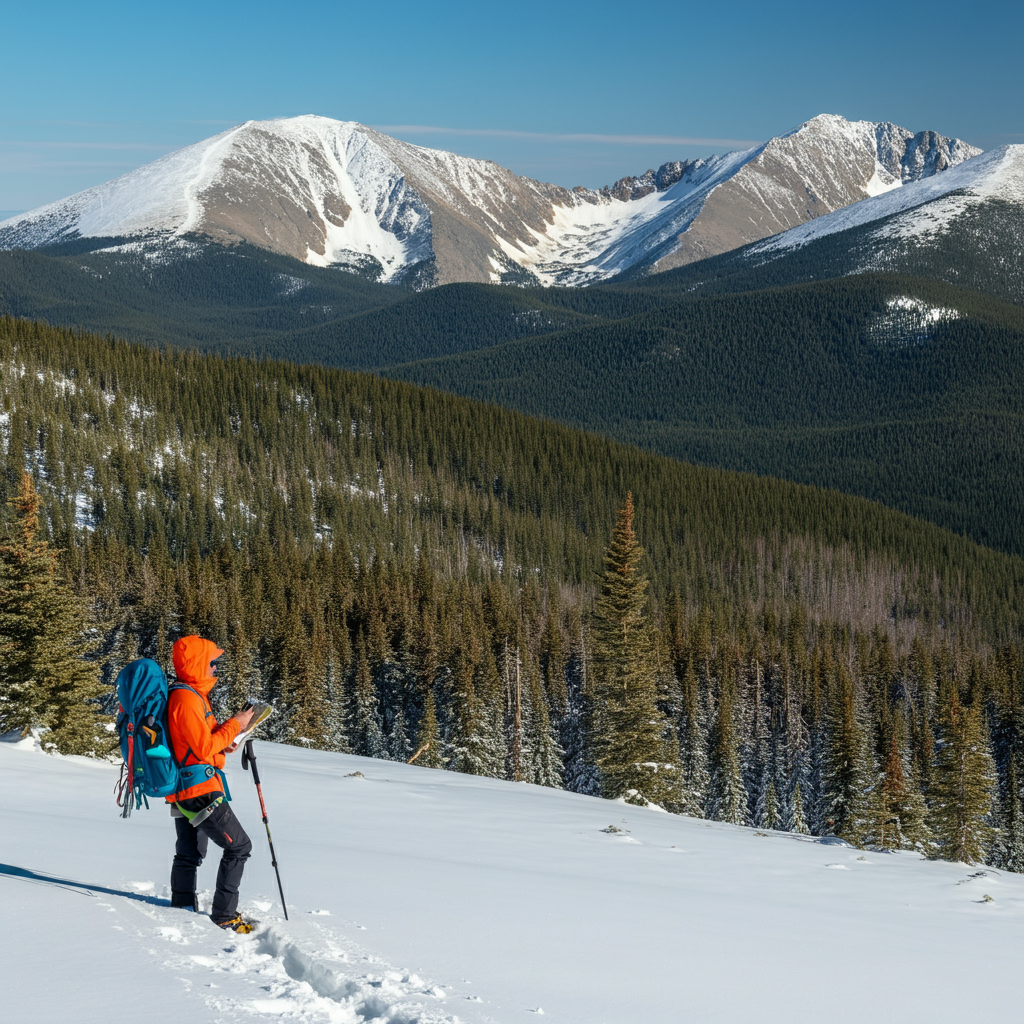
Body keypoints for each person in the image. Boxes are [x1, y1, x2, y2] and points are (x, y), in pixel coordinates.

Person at [165, 635, 255, 932]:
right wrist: (236, 725)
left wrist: (226, 741)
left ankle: (182, 907)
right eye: (212, 662)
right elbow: (202, 748)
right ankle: (225, 917)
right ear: (197, 665)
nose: (216, 667)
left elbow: (198, 744)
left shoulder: (190, 694)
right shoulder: (186, 699)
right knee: (239, 847)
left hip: (187, 788)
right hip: (198, 790)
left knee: (189, 852)